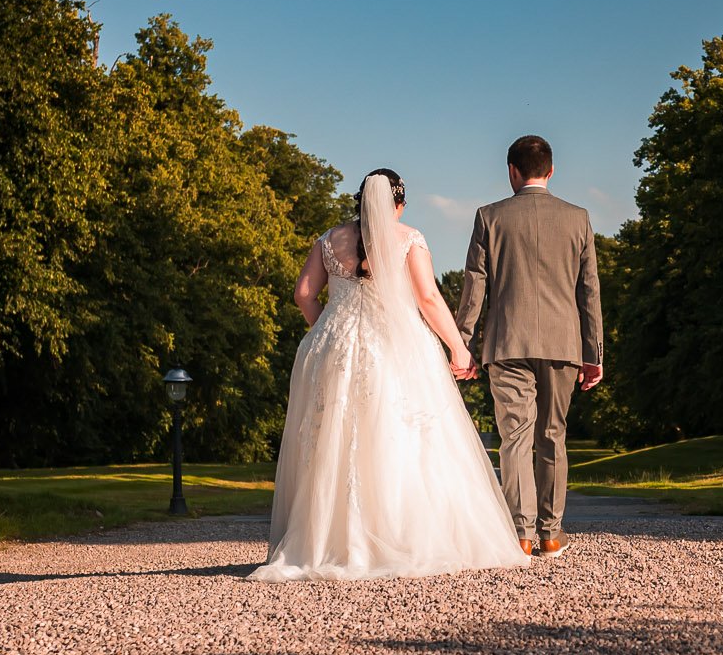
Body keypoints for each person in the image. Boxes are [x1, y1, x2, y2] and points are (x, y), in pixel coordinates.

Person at [250, 169, 531, 580]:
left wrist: (327, 326)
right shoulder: (408, 238)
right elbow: (429, 299)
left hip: (335, 348)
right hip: (393, 347)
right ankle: (398, 536)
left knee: (333, 440)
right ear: (397, 204)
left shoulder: (329, 240)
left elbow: (303, 294)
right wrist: (458, 347)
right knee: (398, 436)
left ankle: (326, 542)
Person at [455, 135, 603, 558]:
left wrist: (462, 342)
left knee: (515, 437)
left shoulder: (489, 217)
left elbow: (474, 285)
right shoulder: (579, 218)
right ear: (551, 170)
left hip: (506, 343)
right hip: (563, 344)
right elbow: (589, 291)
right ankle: (551, 533)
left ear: (511, 171)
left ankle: (520, 534)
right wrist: (594, 354)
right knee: (553, 436)